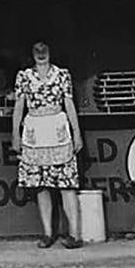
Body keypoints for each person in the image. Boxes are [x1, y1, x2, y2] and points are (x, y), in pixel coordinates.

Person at [11, 41, 83, 249]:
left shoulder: (62, 75)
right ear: (32, 53)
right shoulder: (24, 76)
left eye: (44, 50)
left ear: (51, 51)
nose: (41, 54)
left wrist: (77, 133)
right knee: (41, 185)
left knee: (66, 184)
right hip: (35, 132)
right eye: (37, 50)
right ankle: (47, 233)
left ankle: (74, 234)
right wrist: (15, 135)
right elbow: (18, 107)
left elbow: (69, 104)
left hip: (58, 130)